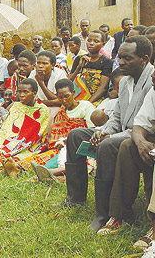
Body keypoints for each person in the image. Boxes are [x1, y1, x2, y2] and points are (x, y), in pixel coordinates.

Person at [54, 36, 154, 234]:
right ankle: (75, 197)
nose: (121, 62)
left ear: (144, 58)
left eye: (128, 58)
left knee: (107, 146)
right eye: (120, 57)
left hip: (141, 139)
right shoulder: (125, 81)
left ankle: (104, 212)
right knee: (76, 135)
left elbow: (142, 125)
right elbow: (116, 116)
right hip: (121, 132)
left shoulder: (152, 81)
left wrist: (109, 138)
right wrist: (103, 131)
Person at [97, 78, 155, 238]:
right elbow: (139, 126)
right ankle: (119, 214)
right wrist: (141, 142)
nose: (153, 80)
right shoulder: (153, 92)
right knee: (128, 147)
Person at [0, 78, 49, 177]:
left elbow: (38, 131)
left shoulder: (42, 109)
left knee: (13, 152)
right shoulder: (16, 106)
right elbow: (8, 126)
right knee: (1, 148)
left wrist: (18, 141)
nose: (21, 95)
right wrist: (6, 139)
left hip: (29, 142)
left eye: (25, 92)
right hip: (13, 137)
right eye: (19, 92)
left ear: (34, 93)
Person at [30, 79, 95, 184]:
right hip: (63, 149)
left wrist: (68, 140)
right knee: (44, 161)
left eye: (67, 96)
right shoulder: (62, 112)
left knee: (80, 162)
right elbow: (56, 135)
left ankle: (52, 173)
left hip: (83, 146)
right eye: (60, 97)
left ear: (73, 93)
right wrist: (60, 143)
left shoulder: (85, 106)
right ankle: (48, 175)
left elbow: (92, 131)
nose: (64, 100)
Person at [69, 30, 113, 106]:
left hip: (96, 99)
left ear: (103, 44)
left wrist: (87, 103)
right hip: (79, 96)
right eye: (89, 40)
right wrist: (78, 67)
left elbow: (103, 88)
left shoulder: (106, 62)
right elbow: (69, 82)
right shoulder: (79, 59)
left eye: (96, 41)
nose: (91, 43)